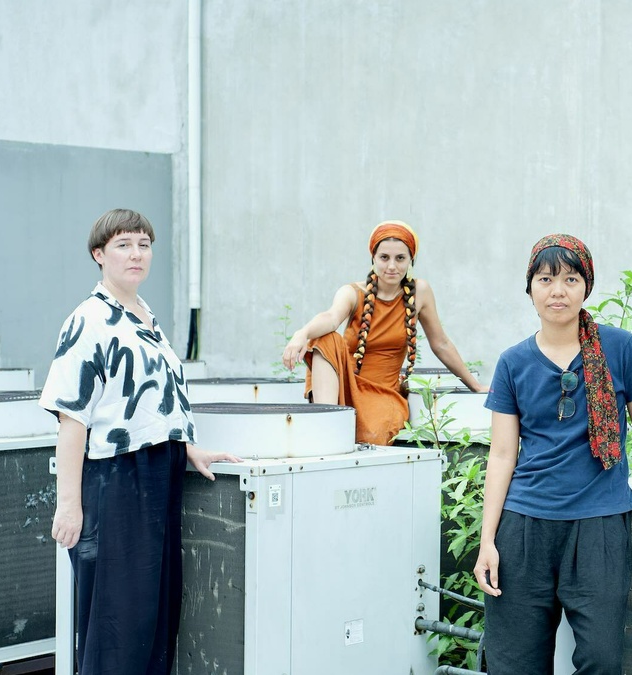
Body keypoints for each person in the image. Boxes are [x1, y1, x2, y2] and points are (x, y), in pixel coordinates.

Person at [473, 234, 632, 674]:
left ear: (586, 287)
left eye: (571, 279)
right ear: (530, 288)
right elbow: (502, 455)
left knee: (601, 659)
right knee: (514, 661)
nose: (558, 290)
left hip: (599, 526)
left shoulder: (618, 347)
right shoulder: (513, 362)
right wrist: (487, 542)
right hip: (524, 529)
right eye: (546, 278)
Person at [40, 208, 239, 674]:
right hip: (117, 478)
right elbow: (72, 418)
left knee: (155, 614)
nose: (136, 254)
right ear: (99, 255)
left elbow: (155, 403)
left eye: (144, 244)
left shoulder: (146, 316)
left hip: (159, 474)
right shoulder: (88, 319)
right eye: (123, 244)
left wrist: (187, 447)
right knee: (119, 620)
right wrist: (68, 504)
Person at [282, 220, 486, 444]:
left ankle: (339, 432)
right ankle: (325, 424)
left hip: (384, 395)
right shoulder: (353, 292)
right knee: (325, 338)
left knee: (374, 433)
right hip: (346, 388)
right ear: (373, 258)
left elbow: (441, 344)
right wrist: (301, 333)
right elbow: (330, 318)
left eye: (400, 258)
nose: (392, 266)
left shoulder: (420, 292)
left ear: (411, 260)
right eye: (384, 258)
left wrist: (474, 386)